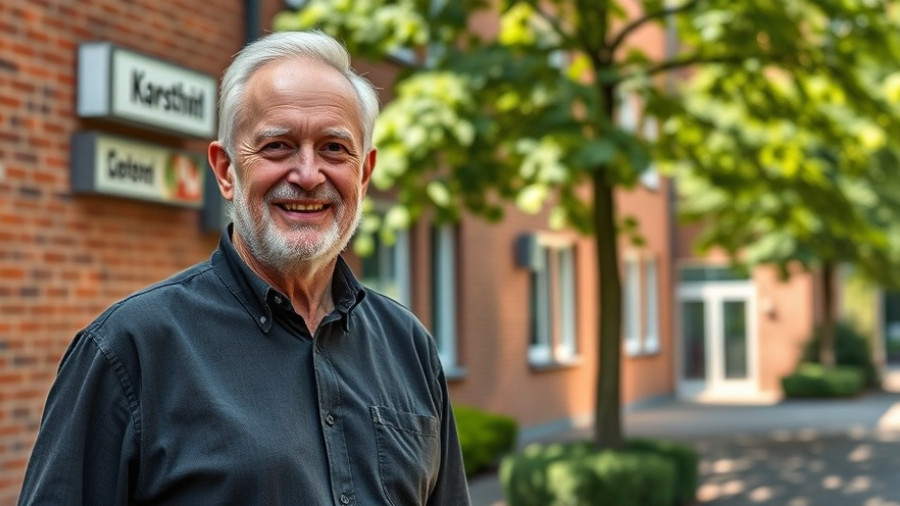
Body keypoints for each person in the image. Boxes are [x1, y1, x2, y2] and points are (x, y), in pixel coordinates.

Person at [19, 31, 471, 505]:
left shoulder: (408, 345)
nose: (309, 174)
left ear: (363, 174)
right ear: (226, 170)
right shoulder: (129, 350)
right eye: (278, 146)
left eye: (334, 148)